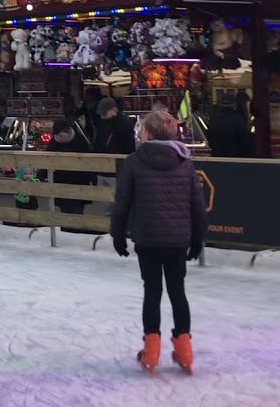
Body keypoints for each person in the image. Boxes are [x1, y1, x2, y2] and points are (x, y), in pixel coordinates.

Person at [109, 110, 206, 376]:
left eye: (142, 130)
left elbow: (122, 202)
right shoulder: (184, 162)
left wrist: (117, 233)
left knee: (152, 290)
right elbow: (197, 205)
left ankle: (151, 350)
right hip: (177, 239)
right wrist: (198, 237)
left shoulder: (134, 161)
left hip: (148, 238)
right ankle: (184, 349)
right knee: (177, 290)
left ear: (148, 133)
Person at [48, 118, 94, 216]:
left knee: (77, 211)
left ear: (68, 131)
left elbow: (87, 162)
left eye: (62, 136)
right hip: (60, 181)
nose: (61, 138)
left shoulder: (80, 141)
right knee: (64, 211)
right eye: (58, 136)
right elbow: (47, 159)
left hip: (78, 180)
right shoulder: (54, 142)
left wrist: (91, 178)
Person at [204, 93, 252, 158]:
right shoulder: (238, 120)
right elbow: (245, 142)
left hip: (217, 157)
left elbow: (209, 137)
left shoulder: (213, 119)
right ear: (234, 105)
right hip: (235, 157)